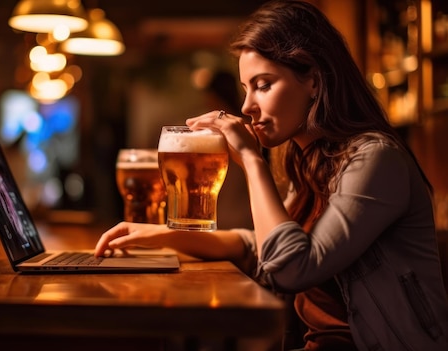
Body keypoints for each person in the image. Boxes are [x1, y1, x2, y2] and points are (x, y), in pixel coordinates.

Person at [94, 1, 448, 350]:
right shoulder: (309, 158)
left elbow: (291, 267)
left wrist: (250, 159)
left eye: (263, 85)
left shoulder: (376, 157)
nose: (247, 107)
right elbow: (260, 247)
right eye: (246, 88)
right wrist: (162, 235)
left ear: (313, 79)